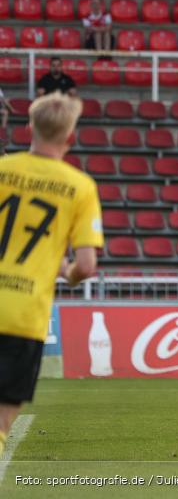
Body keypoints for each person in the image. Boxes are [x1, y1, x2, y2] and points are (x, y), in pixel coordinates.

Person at [0, 92, 103, 456]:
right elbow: (87, 265)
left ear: (29, 127)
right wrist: (68, 272)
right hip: (24, 316)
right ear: (70, 137)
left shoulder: (3, 169)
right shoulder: (79, 187)